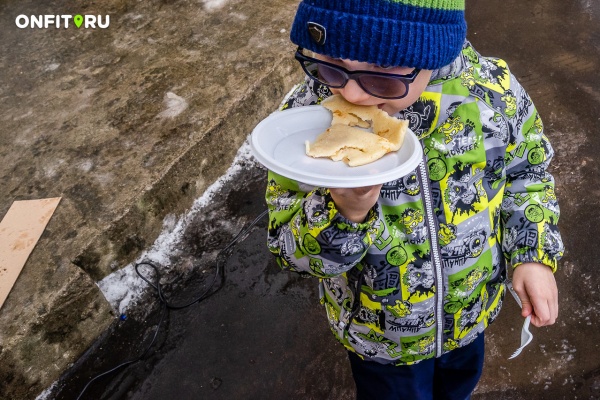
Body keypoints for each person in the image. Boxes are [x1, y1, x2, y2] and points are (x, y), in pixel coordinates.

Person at [265, 1, 564, 398]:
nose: (352, 93)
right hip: (381, 339)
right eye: (331, 65)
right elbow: (290, 251)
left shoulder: (492, 96)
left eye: (384, 77)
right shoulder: (304, 122)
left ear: (434, 53)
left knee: (458, 386)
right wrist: (344, 213)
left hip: (469, 316)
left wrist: (532, 253)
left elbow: (527, 173)